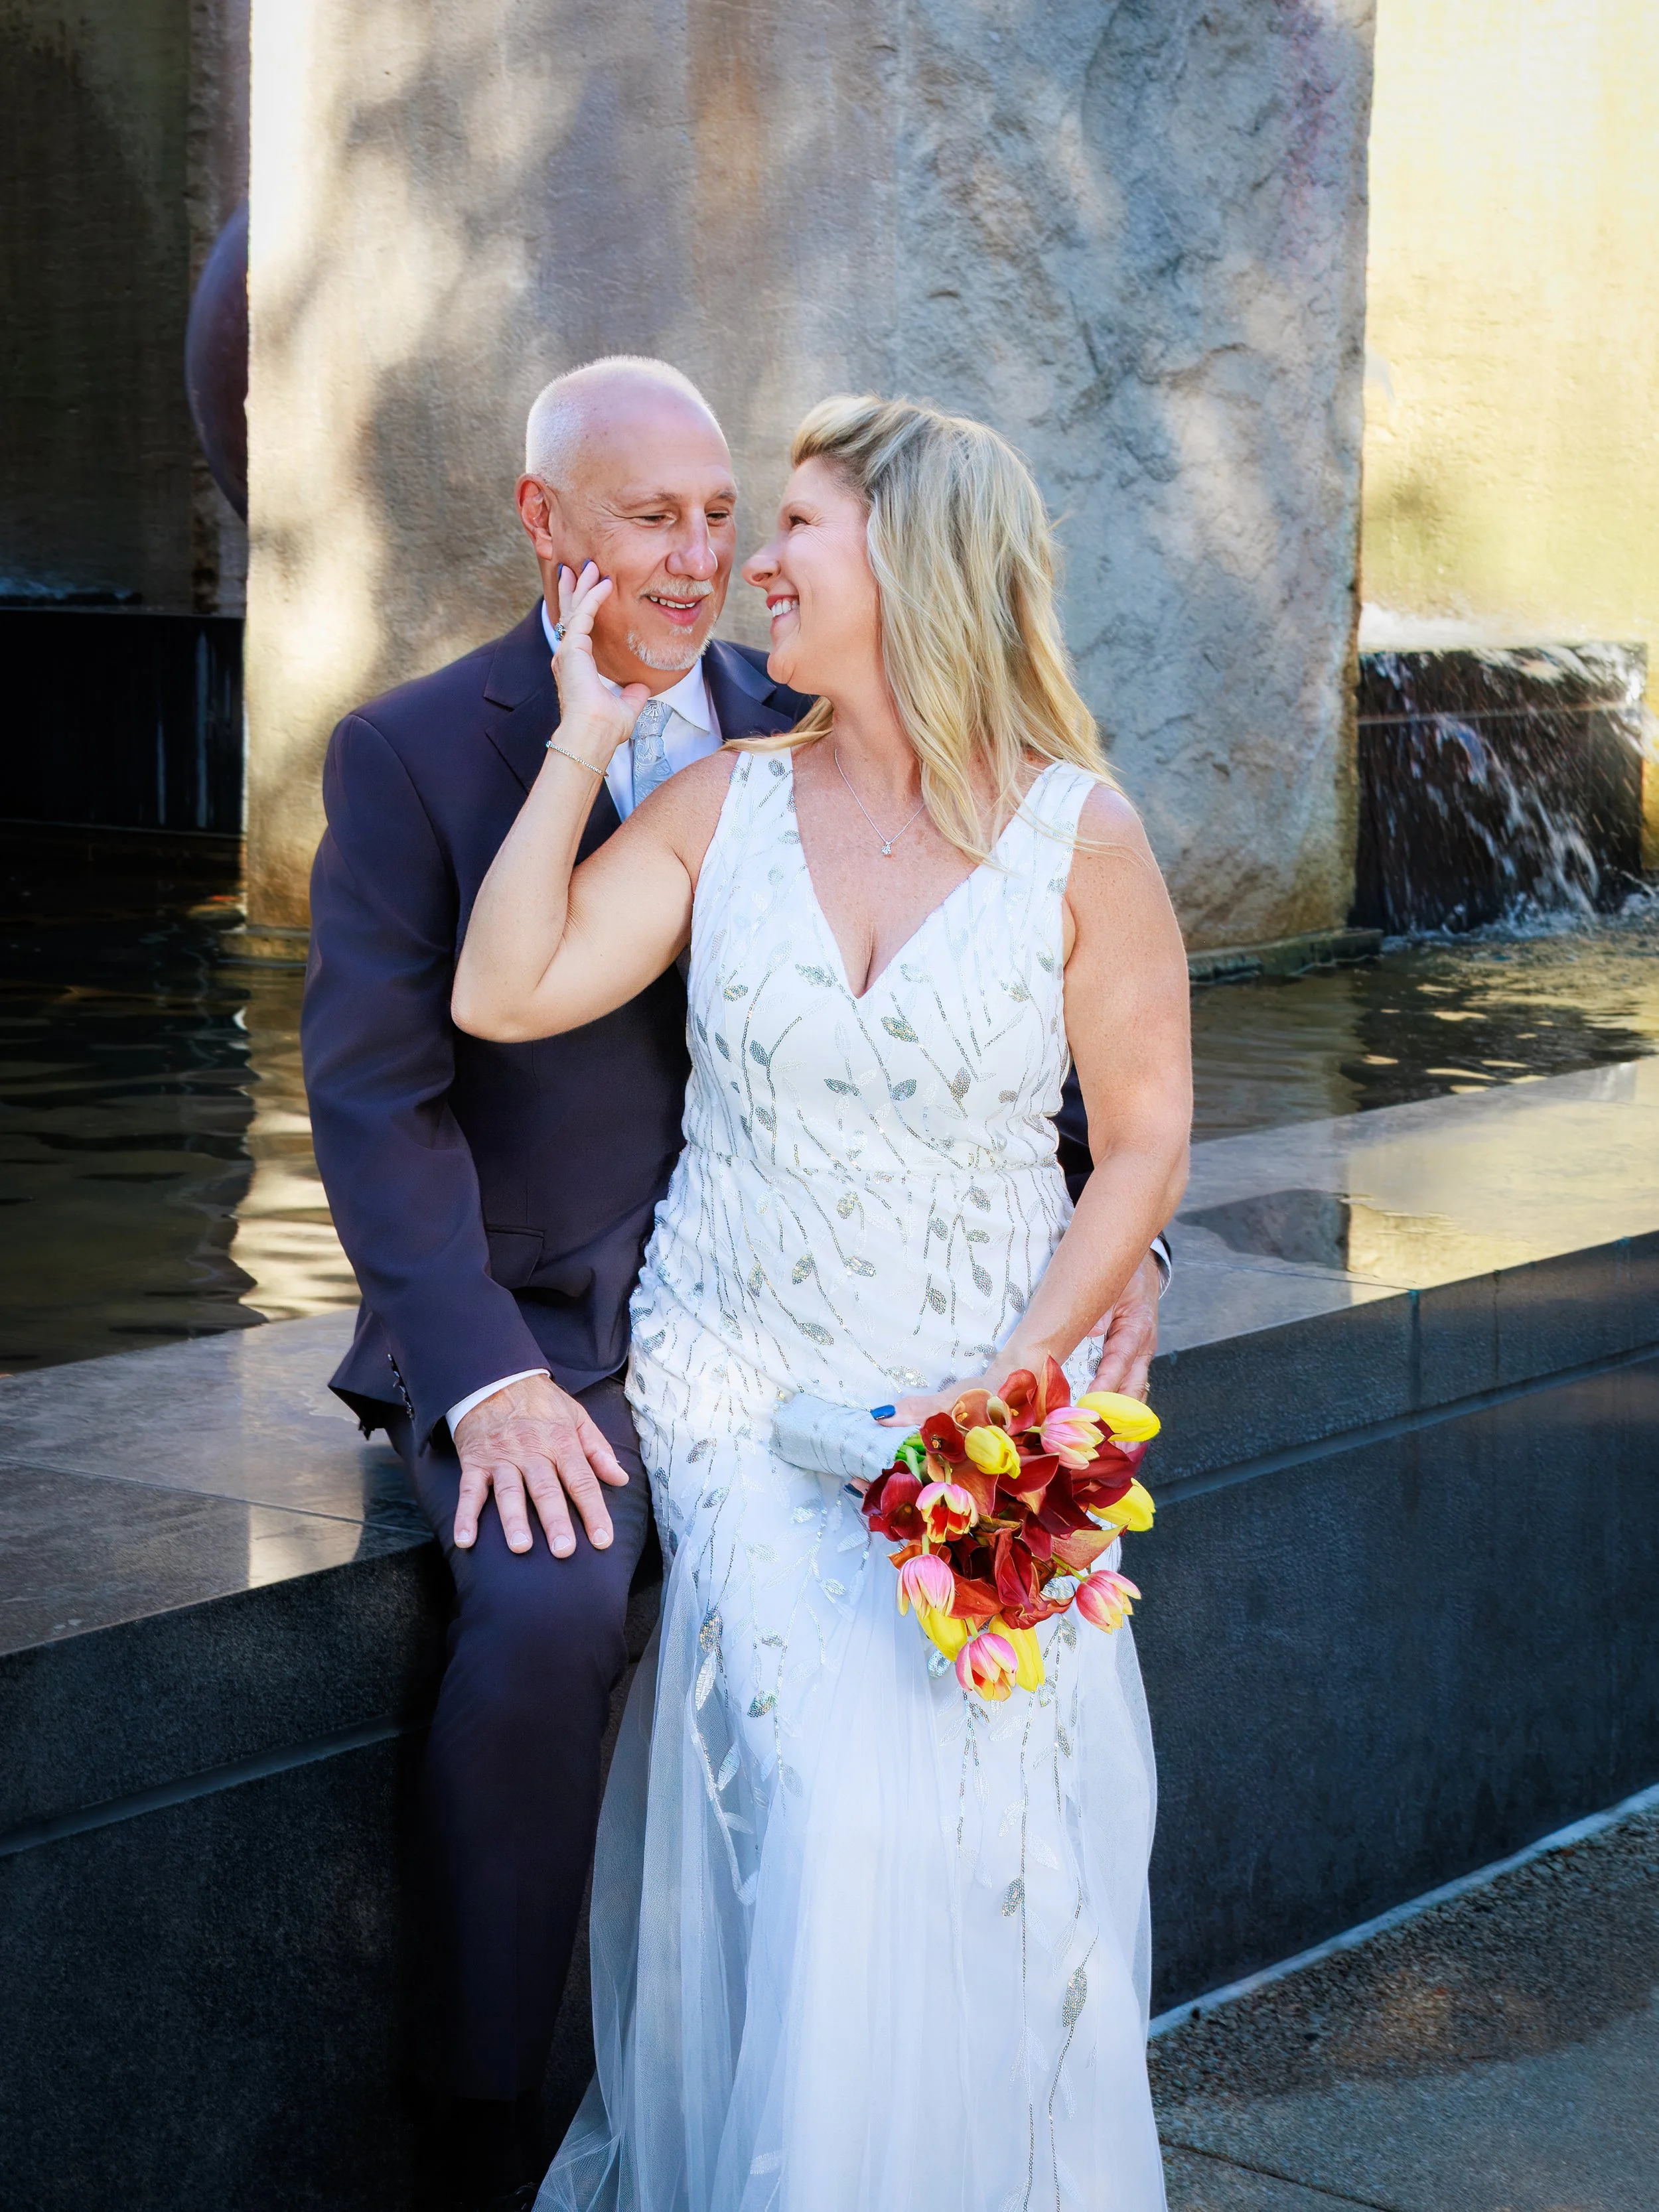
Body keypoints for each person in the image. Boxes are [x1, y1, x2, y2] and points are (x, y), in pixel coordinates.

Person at [303, 359, 1169, 2212]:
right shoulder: (420, 750)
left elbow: (1067, 1066)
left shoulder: (826, 713)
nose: (716, 561)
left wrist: (1117, 1268)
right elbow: (384, 1099)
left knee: (967, 1773)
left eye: (741, 517)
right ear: (545, 524)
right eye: (661, 519)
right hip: (579, 1334)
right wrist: (481, 1376)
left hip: (920, 1343)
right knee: (552, 1613)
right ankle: (474, 2126)